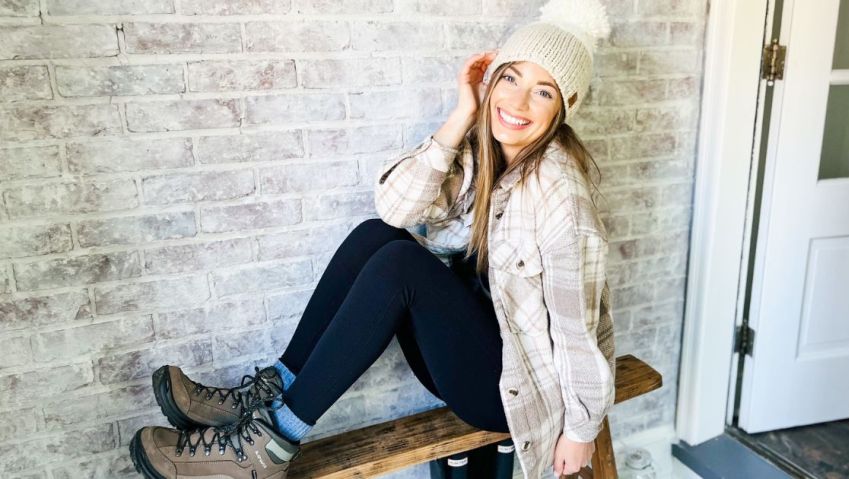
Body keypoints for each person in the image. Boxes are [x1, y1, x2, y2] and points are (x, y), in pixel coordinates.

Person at [128, 0, 615, 478]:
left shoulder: (561, 198)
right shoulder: (481, 154)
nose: (518, 102)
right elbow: (396, 208)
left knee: (402, 266)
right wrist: (462, 114)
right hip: (476, 351)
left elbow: (578, 332)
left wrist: (580, 428)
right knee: (376, 236)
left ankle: (270, 444)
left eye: (544, 91)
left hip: (513, 392)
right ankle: (267, 394)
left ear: (565, 107)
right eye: (510, 78)